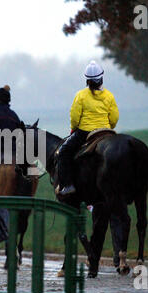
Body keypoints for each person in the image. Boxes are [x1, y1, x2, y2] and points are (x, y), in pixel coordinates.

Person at [56, 61, 119, 195]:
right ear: (101, 78)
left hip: (85, 132)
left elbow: (74, 117)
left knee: (63, 152)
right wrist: (109, 127)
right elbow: (114, 118)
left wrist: (73, 128)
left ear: (87, 80)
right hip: (106, 132)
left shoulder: (81, 95)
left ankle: (67, 185)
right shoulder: (109, 95)